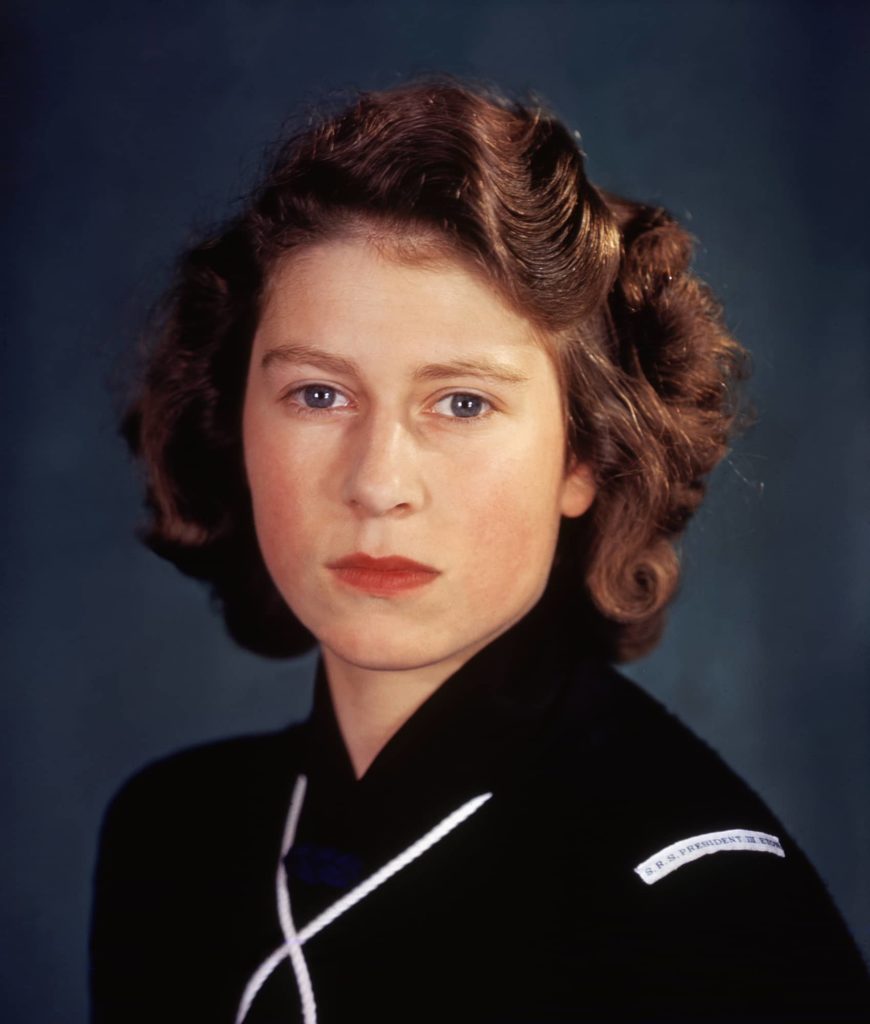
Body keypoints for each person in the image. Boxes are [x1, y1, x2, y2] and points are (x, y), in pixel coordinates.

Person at [89, 77, 870, 1023]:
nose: (378, 483)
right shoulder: (173, 834)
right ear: (234, 422)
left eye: (462, 403)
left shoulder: (702, 907)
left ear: (584, 454)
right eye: (318, 395)